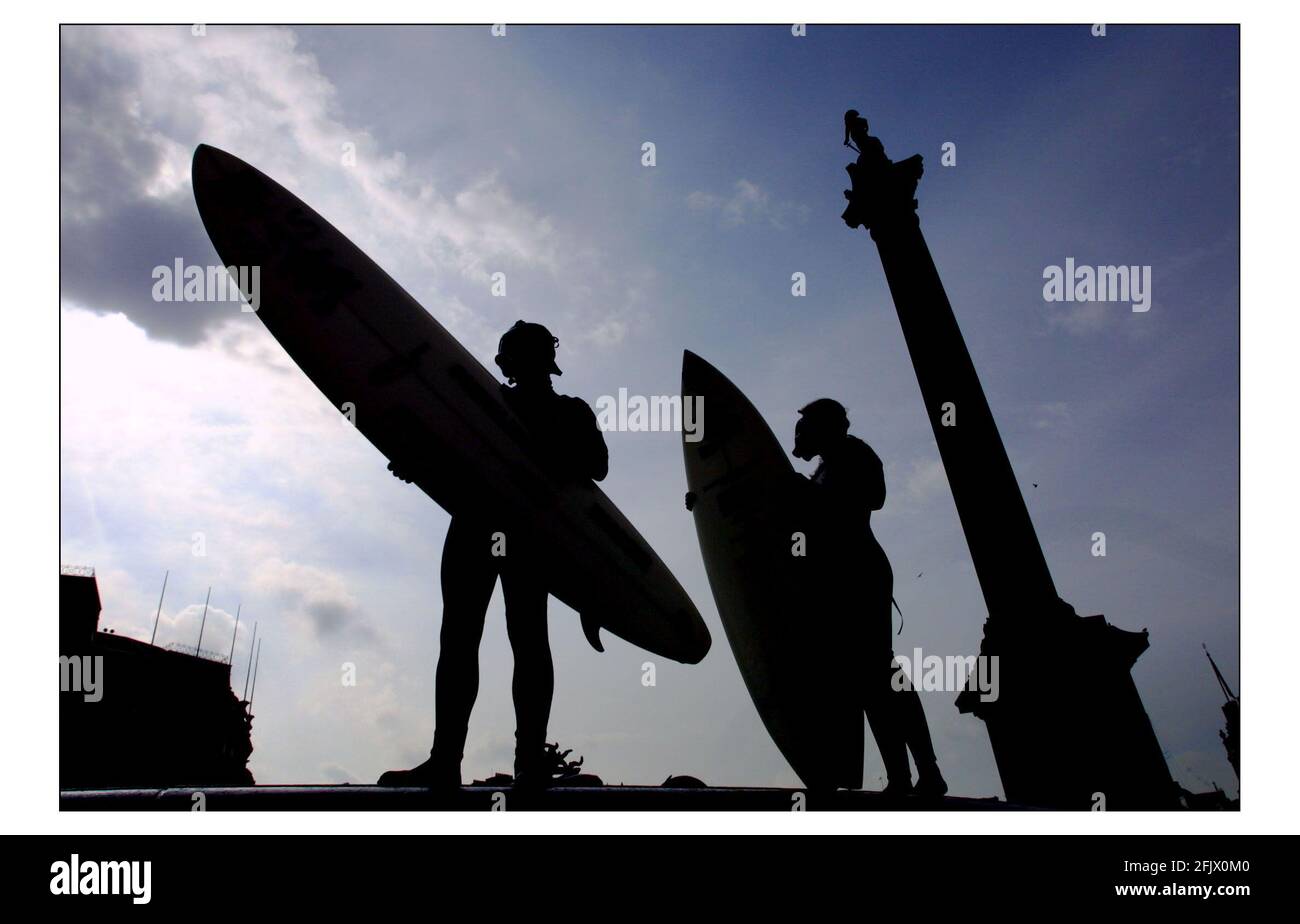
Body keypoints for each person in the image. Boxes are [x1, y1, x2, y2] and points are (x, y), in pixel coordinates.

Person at [378, 321, 608, 789]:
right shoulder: (482, 399)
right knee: (464, 640)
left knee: (522, 641)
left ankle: (524, 762)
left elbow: (596, 466)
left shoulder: (564, 411)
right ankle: (450, 760)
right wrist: (415, 461)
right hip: (479, 524)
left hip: (524, 530)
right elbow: (446, 449)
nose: (510, 365)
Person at [792, 398, 948, 797]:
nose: (799, 433)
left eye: (807, 425)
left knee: (880, 674)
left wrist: (806, 494)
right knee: (867, 682)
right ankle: (901, 777)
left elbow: (868, 500)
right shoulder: (823, 469)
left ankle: (925, 771)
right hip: (840, 579)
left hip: (859, 574)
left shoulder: (854, 455)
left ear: (827, 427)